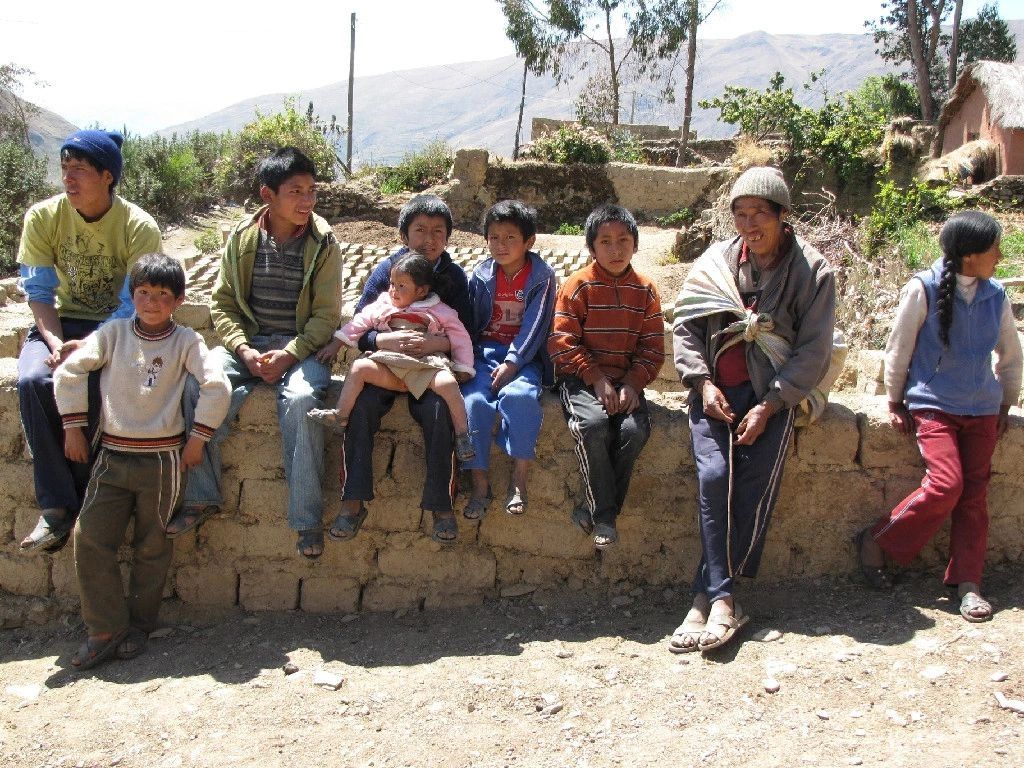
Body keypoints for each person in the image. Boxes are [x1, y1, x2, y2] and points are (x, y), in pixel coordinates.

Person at [671, 167, 836, 653]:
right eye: (740, 214)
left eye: (759, 213)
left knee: (751, 492)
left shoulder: (812, 272)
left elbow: (814, 350)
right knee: (714, 479)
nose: (749, 224)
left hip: (773, 396)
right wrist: (702, 382)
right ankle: (723, 600)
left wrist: (770, 404)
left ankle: (707, 599)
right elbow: (686, 327)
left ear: (783, 216)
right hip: (715, 395)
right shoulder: (716, 263)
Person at [54, 254, 230, 670]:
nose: (152, 302)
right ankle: (105, 629)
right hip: (112, 457)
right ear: (131, 295)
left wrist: (199, 438)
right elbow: (70, 371)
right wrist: (73, 426)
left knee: (152, 546)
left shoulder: (186, 341)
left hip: (162, 462)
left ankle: (139, 627)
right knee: (90, 537)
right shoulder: (113, 333)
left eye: (163, 295)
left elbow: (217, 384)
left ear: (179, 301)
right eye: (144, 293)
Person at [175, 147, 341, 560]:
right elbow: (223, 304)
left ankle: (306, 520)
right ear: (269, 194)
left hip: (302, 350)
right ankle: (200, 495)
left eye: (312, 191)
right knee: (198, 385)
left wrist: (290, 354)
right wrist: (244, 350)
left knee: (302, 401)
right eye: (296, 191)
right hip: (249, 343)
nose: (306, 201)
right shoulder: (242, 239)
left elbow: (326, 316)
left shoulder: (323, 243)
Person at [856, 211, 1021, 623]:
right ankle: (877, 540)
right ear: (969, 255)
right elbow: (899, 347)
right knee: (947, 484)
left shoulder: (996, 296)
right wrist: (895, 400)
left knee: (974, 497)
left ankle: (968, 583)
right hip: (934, 405)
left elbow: (1010, 354)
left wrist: (1006, 402)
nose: (1000, 256)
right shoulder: (924, 288)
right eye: (995, 249)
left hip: (982, 409)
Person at [17, 129, 162, 553]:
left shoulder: (138, 227)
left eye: (79, 169)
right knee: (32, 381)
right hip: (60, 323)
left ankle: (86, 503)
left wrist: (90, 347)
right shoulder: (43, 217)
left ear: (107, 176)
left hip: (116, 327)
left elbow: (135, 303)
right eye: (65, 168)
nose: (68, 178)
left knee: (99, 384)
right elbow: (39, 292)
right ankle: (55, 507)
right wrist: (56, 344)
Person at [333, 195, 471, 544]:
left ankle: (442, 506)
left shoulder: (454, 278)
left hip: (428, 370)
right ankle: (352, 501)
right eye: (420, 230)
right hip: (386, 365)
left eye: (438, 232)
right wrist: (383, 340)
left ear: (448, 237)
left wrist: (436, 345)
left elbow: (465, 333)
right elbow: (362, 326)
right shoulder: (388, 273)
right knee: (361, 408)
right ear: (403, 235)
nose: (429, 239)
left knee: (439, 412)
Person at [549, 204, 665, 550]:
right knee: (594, 426)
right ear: (591, 247)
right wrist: (595, 377)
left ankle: (597, 510)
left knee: (634, 431)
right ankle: (605, 517)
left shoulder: (645, 290)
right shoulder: (578, 286)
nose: (616, 250)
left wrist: (632, 384)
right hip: (579, 379)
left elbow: (652, 349)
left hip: (625, 379)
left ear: (636, 244)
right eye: (606, 242)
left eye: (623, 240)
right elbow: (562, 342)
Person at [309, 252, 476, 461]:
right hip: (389, 367)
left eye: (401, 286)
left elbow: (460, 336)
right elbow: (359, 323)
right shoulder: (383, 304)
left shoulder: (440, 310)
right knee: (359, 368)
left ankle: (462, 434)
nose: (393, 290)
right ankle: (341, 416)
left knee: (449, 383)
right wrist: (337, 343)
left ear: (421, 290)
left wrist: (463, 367)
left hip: (424, 369)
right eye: (392, 284)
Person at [461, 200, 556, 519]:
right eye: (494, 237)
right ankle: (479, 481)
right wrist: (464, 359)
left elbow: (536, 324)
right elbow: (471, 321)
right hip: (484, 354)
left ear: (529, 241)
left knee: (521, 399)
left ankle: (519, 477)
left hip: (525, 357)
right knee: (474, 403)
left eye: (510, 237)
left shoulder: (541, 277)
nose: (501, 245)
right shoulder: (481, 275)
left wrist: (514, 362)